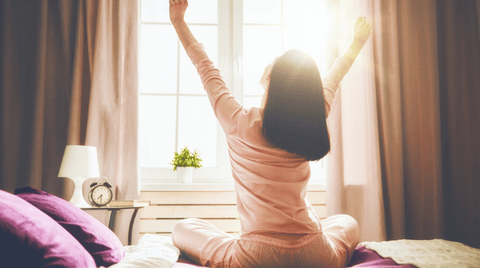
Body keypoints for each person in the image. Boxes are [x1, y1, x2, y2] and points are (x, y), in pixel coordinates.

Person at [168, 0, 372, 267]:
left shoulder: (238, 121)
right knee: (347, 223)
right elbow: (335, 75)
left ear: (269, 77)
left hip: (255, 256)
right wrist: (356, 44)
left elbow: (206, 68)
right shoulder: (310, 119)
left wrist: (178, 21)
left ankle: (231, 247)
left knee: (182, 228)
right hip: (315, 253)